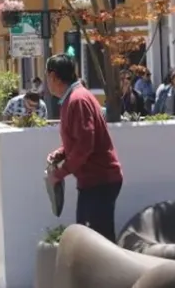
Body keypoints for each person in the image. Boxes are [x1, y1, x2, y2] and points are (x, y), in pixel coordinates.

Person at [45, 54, 123, 242]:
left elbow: (85, 143)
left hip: (99, 180)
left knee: (97, 243)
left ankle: (113, 272)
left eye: (47, 77)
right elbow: (79, 138)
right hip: (94, 181)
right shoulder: (74, 97)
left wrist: (61, 172)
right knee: (92, 240)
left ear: (54, 76)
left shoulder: (77, 99)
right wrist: (61, 153)